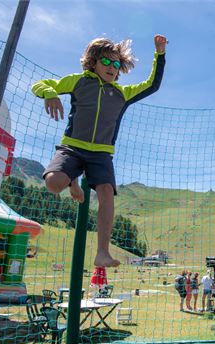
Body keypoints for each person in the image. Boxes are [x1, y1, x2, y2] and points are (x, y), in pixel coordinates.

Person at [32, 35, 168, 268]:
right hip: (72, 147)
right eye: (106, 62)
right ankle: (73, 179)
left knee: (106, 192)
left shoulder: (122, 93)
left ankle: (102, 253)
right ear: (93, 61)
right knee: (54, 183)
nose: (111, 68)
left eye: (116, 65)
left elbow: (152, 84)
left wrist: (160, 54)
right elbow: (39, 84)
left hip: (101, 154)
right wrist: (50, 94)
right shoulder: (78, 81)